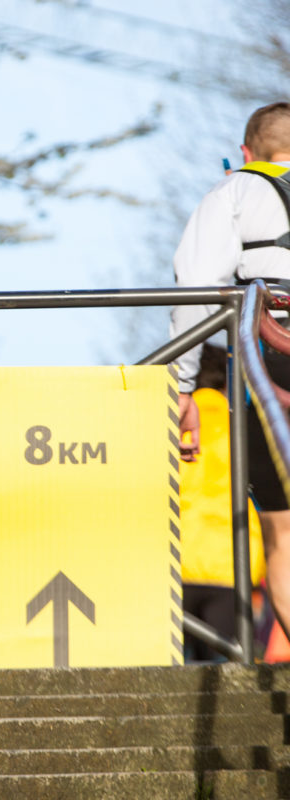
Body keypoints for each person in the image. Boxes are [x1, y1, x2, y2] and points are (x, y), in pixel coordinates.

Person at [172, 101, 290, 641]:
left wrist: (183, 385)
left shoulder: (235, 193)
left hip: (275, 362)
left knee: (283, 533)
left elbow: (197, 290)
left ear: (246, 152)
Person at [180, 344, 266, 662]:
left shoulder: (168, 427)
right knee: (221, 671)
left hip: (175, 562)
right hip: (233, 564)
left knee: (171, 672)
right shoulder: (245, 428)